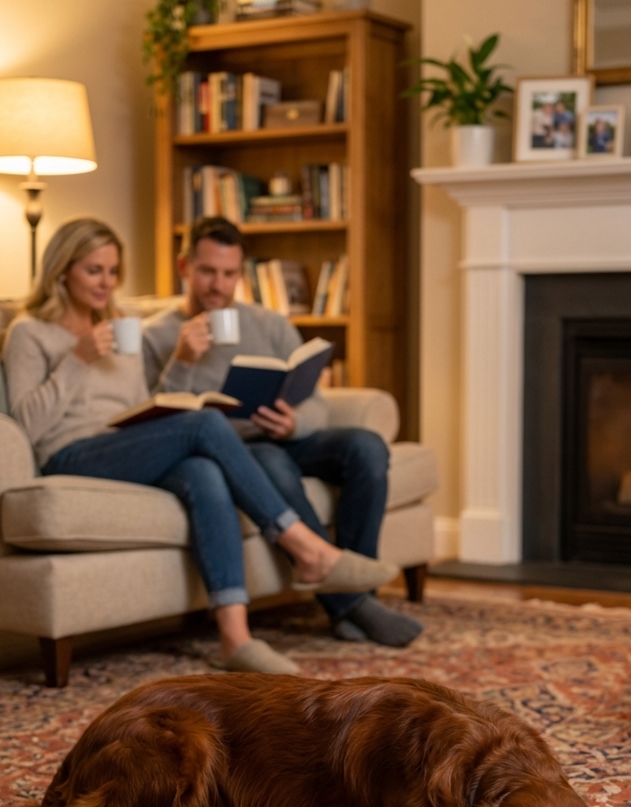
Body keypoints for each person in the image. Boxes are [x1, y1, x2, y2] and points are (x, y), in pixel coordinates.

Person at [2, 218, 398, 676]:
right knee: (207, 423)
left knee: (204, 472)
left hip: (122, 445)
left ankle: (235, 639)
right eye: (94, 270)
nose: (106, 282)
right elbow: (25, 426)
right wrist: (77, 360)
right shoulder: (30, 333)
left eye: (112, 271)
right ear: (62, 270)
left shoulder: (119, 325)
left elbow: (136, 402)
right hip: (69, 452)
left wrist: (152, 414)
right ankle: (308, 550)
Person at [143, 216, 424, 648]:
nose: (218, 286)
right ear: (184, 267)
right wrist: (183, 360)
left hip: (288, 435)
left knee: (366, 448)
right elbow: (157, 421)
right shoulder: (157, 336)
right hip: (238, 453)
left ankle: (357, 594)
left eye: (229, 273)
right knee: (271, 461)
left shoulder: (268, 324)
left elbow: (314, 399)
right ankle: (353, 605)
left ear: (240, 272)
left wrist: (296, 421)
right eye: (207, 272)